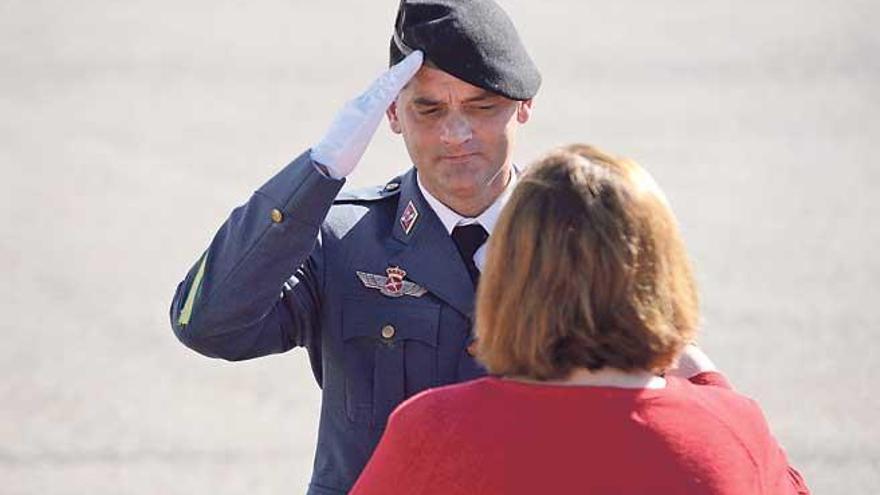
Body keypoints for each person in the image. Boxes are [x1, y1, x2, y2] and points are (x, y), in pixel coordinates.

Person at [168, 1, 540, 493]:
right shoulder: (343, 238)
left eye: (482, 106)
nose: (455, 134)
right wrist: (319, 173)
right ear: (392, 113)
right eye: (428, 108)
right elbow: (207, 325)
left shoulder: (581, 241)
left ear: (524, 106)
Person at [351, 145, 811, 494]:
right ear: (661, 272)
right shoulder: (729, 431)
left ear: (509, 278)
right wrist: (711, 387)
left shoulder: (432, 430)